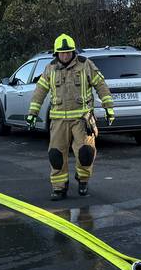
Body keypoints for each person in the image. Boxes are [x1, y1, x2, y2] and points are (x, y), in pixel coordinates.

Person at [27, 34, 115, 200]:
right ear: (56, 54)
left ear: (73, 52)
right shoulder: (50, 69)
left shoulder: (85, 65)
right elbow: (39, 92)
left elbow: (101, 85)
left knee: (86, 153)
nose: (65, 55)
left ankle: (83, 181)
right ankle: (59, 187)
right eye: (62, 53)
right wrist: (32, 114)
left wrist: (109, 107)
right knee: (56, 155)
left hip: (82, 120)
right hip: (58, 121)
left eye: (68, 52)